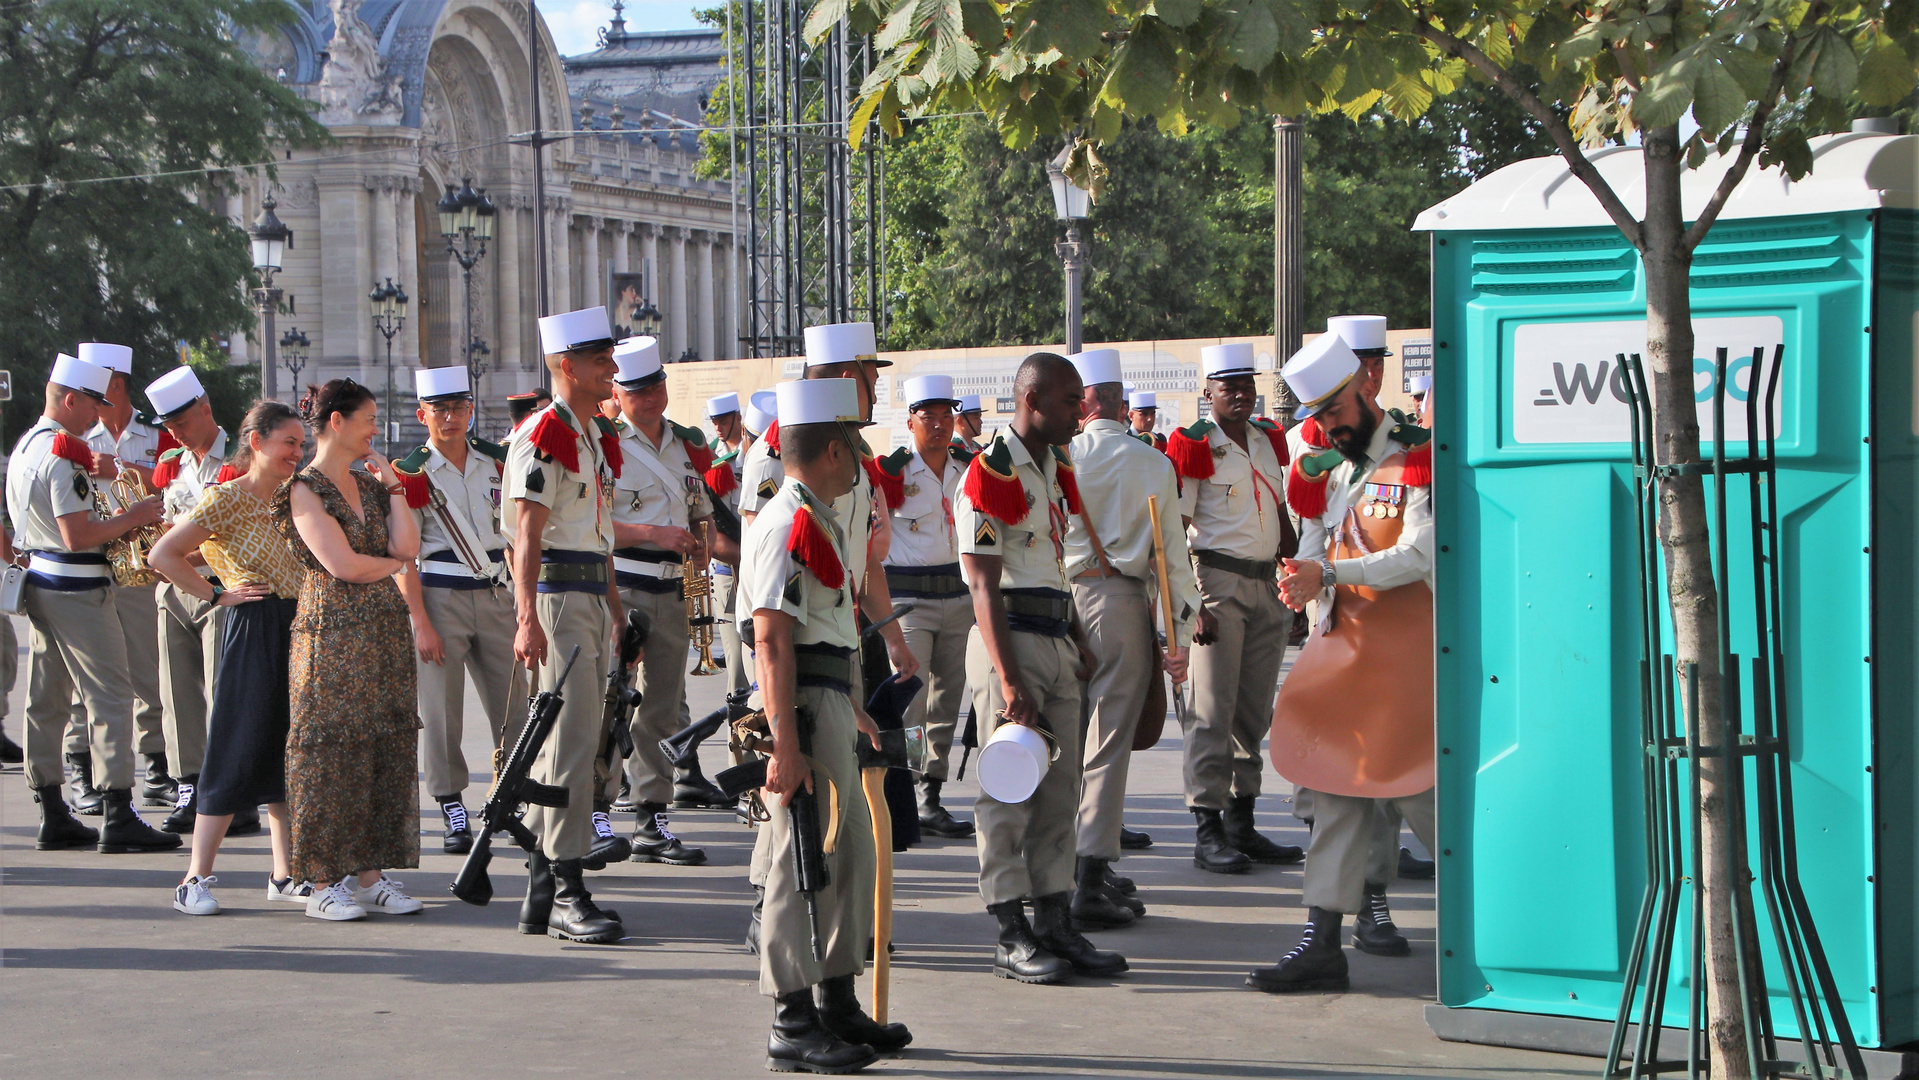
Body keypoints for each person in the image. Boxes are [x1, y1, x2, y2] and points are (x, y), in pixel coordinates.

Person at [1252, 332, 1437, 994]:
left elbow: (1420, 556)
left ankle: (1503, 933)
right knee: (1333, 797)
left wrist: (1327, 569)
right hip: (1346, 655)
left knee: (1430, 804)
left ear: (1363, 388)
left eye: (1332, 413)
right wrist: (1306, 579)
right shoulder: (1331, 465)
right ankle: (1320, 943)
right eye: (1315, 418)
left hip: (1407, 663)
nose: (1323, 428)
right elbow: (1315, 543)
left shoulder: (1416, 456)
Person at [745, 377, 909, 1072]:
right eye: (855, 448)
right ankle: (791, 1016)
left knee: (847, 859)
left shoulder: (818, 516)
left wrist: (855, 703)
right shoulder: (788, 522)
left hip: (829, 699)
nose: (862, 462)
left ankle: (836, 1003)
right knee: (797, 862)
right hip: (802, 709)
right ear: (835, 452)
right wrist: (785, 743)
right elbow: (773, 639)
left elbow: (832, 631)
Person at [954, 352, 1123, 984]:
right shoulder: (990, 471)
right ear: (1032, 401)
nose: (1081, 411)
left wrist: (1078, 637)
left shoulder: (1053, 469)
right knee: (1007, 791)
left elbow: (1053, 566)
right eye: (1068, 401)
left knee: (1060, 792)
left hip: (1052, 636)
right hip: (1011, 646)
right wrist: (1009, 680)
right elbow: (983, 587)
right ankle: (1009, 932)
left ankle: (1054, 920)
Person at [8, 352, 177, 854]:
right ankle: (118, 811)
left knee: (48, 697)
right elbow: (78, 534)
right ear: (70, 399)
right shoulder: (65, 453)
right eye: (92, 406)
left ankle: (52, 809)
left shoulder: (27, 446)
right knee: (109, 696)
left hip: (41, 579)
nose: (96, 417)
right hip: (77, 586)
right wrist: (137, 515)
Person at [149, 401, 308, 915]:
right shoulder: (227, 498)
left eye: (301, 444)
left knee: (289, 746)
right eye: (289, 443)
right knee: (236, 744)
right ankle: (194, 878)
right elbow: (163, 554)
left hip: (297, 626)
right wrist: (217, 594)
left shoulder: (295, 496)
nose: (297, 453)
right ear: (256, 442)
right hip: (250, 625)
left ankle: (284, 874)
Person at [275, 378, 424, 922]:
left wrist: (397, 487)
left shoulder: (371, 484)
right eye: (367, 420)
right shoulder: (304, 487)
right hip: (331, 632)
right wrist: (392, 566)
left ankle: (370, 876)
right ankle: (319, 880)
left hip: (382, 628)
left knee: (382, 745)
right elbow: (344, 565)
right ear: (337, 422)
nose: (375, 431)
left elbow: (408, 546)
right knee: (328, 754)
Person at [1061, 349, 1199, 928]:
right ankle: (1089, 873)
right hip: (1119, 599)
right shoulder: (1152, 463)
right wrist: (1180, 634)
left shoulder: (1059, 455)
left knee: (1062, 738)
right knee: (1109, 740)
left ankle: (1063, 865)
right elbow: (1171, 559)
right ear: (1119, 402)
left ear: (1084, 401)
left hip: (1056, 601)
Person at [504, 306, 625, 943]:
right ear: (564, 366)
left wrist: (612, 601)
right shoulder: (544, 434)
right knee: (569, 747)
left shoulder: (586, 434)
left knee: (577, 742)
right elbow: (527, 537)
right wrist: (527, 618)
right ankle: (566, 888)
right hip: (554, 598)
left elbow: (597, 532)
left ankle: (542, 888)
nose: (612, 368)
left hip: (584, 596)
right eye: (600, 359)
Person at [1167, 343, 1303, 874]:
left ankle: (1242, 822)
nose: (1242, 393)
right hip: (1217, 582)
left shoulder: (1268, 438)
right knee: (1210, 710)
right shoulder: (1193, 445)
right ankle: (1207, 826)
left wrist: (1292, 575)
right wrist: (1191, 602)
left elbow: (1280, 511)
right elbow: (1176, 532)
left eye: (1247, 383)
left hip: (1265, 582)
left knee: (1252, 711)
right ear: (1208, 393)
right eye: (1229, 386)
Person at [607, 335, 730, 864]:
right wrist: (654, 534)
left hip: (676, 583)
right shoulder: (604, 443)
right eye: (636, 391)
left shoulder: (687, 442)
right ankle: (595, 808)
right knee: (612, 704)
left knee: (659, 708)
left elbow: (698, 502)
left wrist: (701, 534)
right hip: (625, 584)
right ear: (617, 392)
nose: (650, 399)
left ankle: (651, 820)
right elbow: (589, 525)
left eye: (655, 386)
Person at [391, 366, 515, 856]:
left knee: (513, 702)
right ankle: (450, 802)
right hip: (440, 596)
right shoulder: (411, 473)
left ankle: (510, 790)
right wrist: (420, 621)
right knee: (440, 711)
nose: (450, 418)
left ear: (470, 409)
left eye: (458, 408)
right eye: (439, 410)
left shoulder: (496, 461)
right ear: (423, 415)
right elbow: (405, 558)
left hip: (497, 592)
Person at [74, 342, 174, 812]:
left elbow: (177, 483)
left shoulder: (155, 435)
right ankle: (83, 771)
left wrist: (126, 469)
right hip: (93, 562)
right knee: (88, 674)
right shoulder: (75, 433)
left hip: (143, 563)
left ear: (115, 383)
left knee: (148, 665)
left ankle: (156, 764)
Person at [877, 374, 976, 839]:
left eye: (945, 417)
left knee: (948, 701)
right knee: (911, 701)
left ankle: (930, 795)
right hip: (909, 600)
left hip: (958, 597)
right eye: (928, 418)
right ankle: (901, 791)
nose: (939, 426)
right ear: (910, 422)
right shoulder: (891, 472)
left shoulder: (969, 468)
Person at [144, 366, 234, 836]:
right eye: (169, 426)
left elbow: (234, 528)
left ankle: (226, 790)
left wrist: (172, 552)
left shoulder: (239, 457)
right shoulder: (173, 464)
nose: (175, 433)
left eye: (181, 422)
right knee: (175, 692)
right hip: (173, 586)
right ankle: (188, 783)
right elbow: (167, 522)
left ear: (205, 409)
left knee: (223, 692)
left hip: (221, 584)